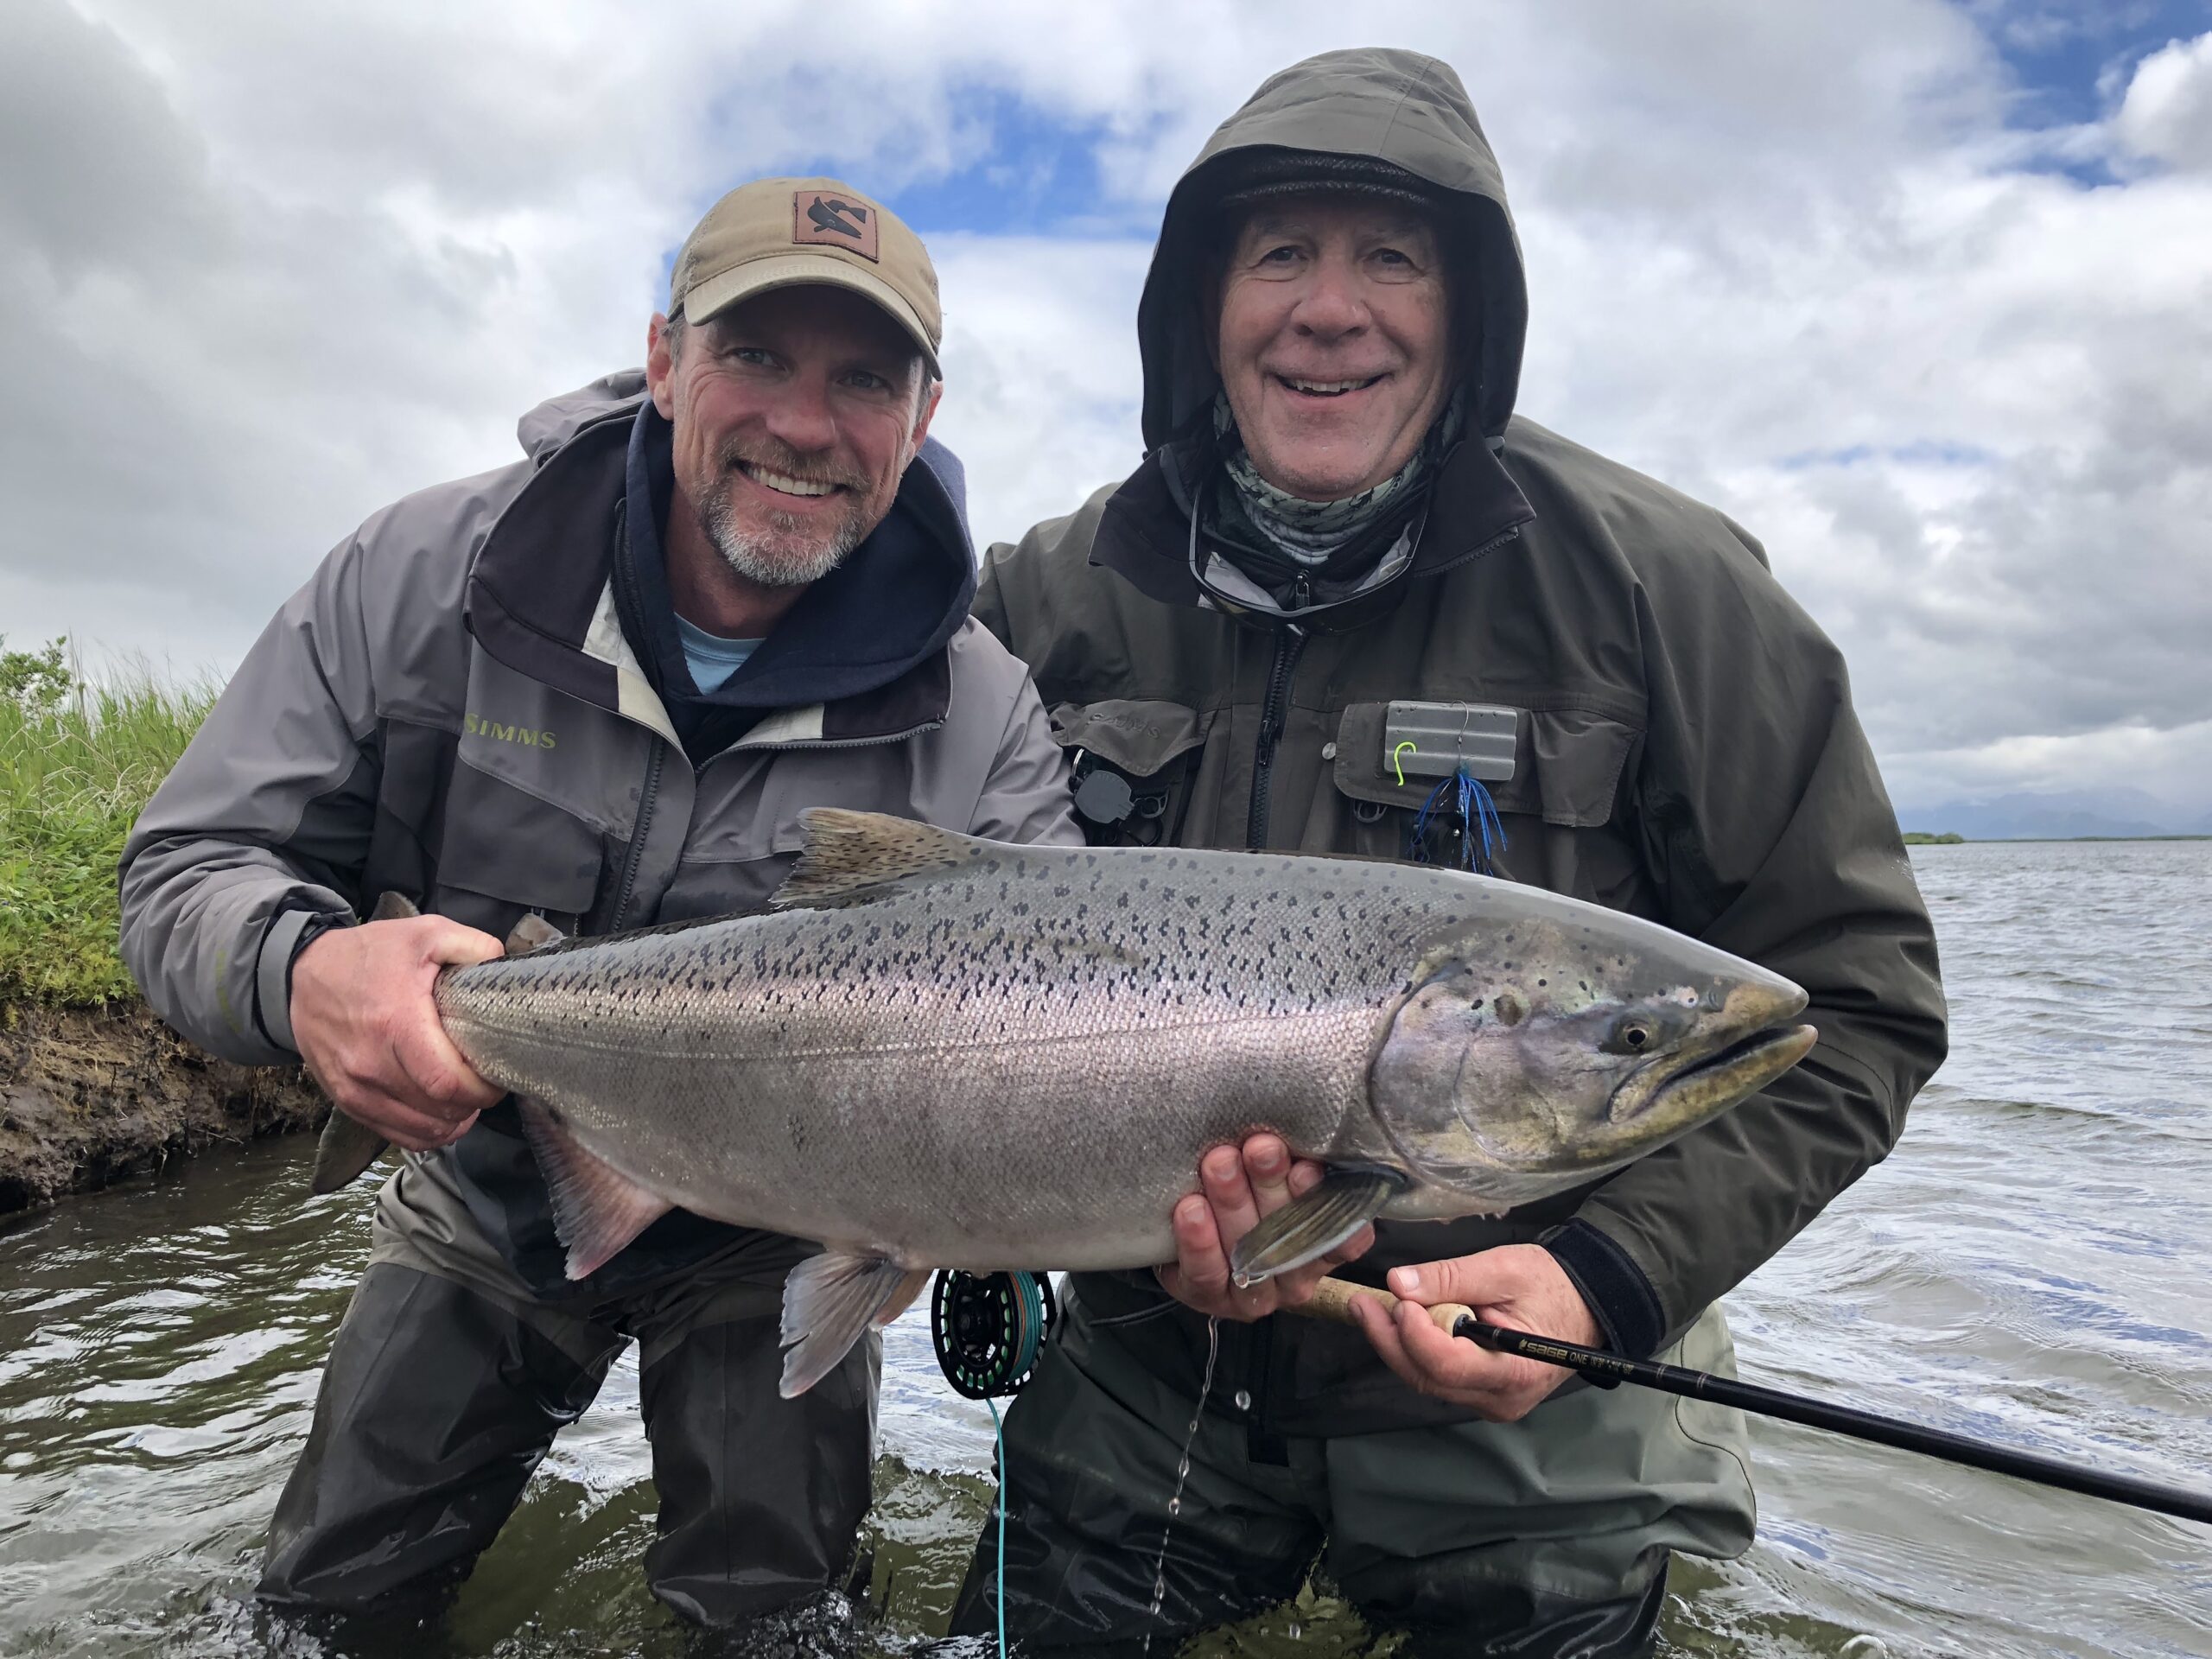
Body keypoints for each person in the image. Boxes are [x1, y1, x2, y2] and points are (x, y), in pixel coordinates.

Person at [948, 48, 1948, 1659]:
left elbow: (1860, 1007)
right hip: (1148, 1384)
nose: (1329, 309)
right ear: (1200, 306)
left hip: (1535, 1411)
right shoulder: (1050, 598)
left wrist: (1609, 1286)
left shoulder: (1668, 592)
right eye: (1280, 252)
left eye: (1391, 257)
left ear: (1471, 309)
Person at [118, 176, 1080, 1627]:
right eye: (756, 356)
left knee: (774, 1623)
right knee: (323, 1612)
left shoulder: (984, 712)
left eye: (863, 379)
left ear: (922, 419)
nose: (806, 425)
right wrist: (304, 973)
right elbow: (183, 872)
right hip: (494, 1178)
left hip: (786, 1227)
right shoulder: (429, 575)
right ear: (662, 358)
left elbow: (1072, 1026)